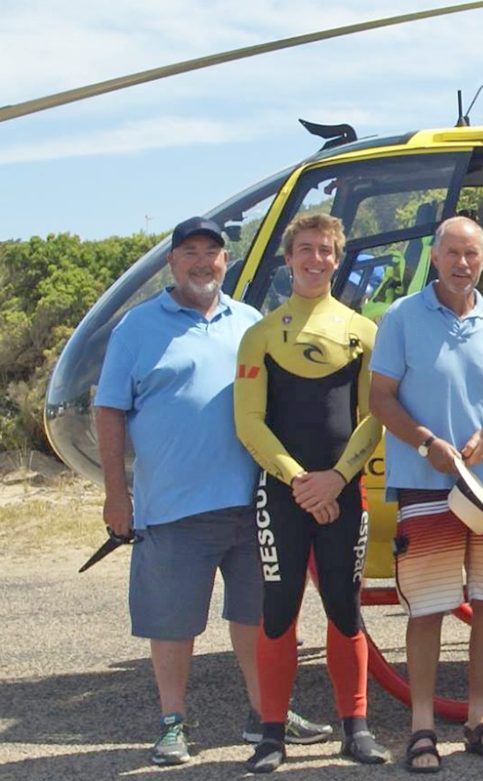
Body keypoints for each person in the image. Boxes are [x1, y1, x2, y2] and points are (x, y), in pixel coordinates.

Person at [95, 216, 330, 766]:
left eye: (213, 252)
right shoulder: (137, 328)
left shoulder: (249, 322)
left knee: (258, 616)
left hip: (253, 504)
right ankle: (172, 723)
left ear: (227, 261)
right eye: (190, 252)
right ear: (173, 262)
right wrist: (116, 494)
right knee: (173, 623)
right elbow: (109, 411)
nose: (203, 262)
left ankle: (265, 713)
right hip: (173, 506)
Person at [370, 216, 483, 772]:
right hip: (425, 484)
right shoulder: (400, 317)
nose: (463, 264)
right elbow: (381, 399)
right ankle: (421, 728)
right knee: (430, 608)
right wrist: (424, 444)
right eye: (453, 253)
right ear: (435, 258)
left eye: (473, 255)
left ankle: (479, 721)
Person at [233, 214, 388, 772]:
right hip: (283, 495)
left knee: (345, 609)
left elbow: (375, 417)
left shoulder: (363, 330)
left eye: (326, 250)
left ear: (338, 257)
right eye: (305, 249)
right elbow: (249, 422)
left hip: (343, 491)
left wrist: (337, 479)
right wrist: (299, 480)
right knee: (279, 610)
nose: (316, 258)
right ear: (288, 257)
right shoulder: (262, 334)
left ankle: (357, 728)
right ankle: (271, 736)